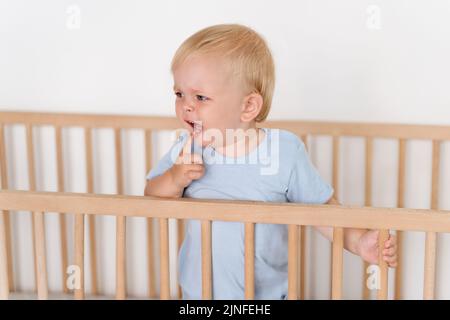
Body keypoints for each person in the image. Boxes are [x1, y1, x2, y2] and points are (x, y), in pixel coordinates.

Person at [144, 24, 397, 299]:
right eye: (179, 94)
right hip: (200, 296)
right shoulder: (186, 148)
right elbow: (151, 195)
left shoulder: (283, 151)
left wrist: (359, 242)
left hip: (266, 297)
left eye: (200, 97)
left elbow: (325, 212)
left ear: (248, 107)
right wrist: (174, 179)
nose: (186, 106)